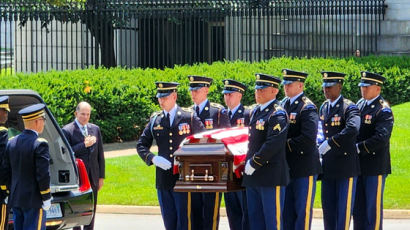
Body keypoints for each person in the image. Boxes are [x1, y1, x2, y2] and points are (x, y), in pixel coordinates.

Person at [137, 82, 204, 230]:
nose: (161, 101)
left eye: (165, 98)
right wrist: (153, 158)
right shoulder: (156, 119)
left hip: (183, 178)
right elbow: (141, 145)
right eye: (159, 98)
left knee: (185, 221)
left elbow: (203, 141)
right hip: (163, 178)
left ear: (174, 96)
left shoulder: (189, 117)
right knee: (169, 220)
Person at [242, 73, 290, 230]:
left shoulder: (277, 114)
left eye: (263, 89)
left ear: (274, 91)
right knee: (255, 220)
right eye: (257, 89)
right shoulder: (256, 111)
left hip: (270, 176)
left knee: (272, 222)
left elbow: (273, 143)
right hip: (254, 176)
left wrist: (254, 162)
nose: (258, 93)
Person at [318, 71, 361, 230]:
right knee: (328, 210)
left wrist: (330, 143)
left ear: (340, 86)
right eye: (325, 86)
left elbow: (352, 129)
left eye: (330, 87)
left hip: (345, 167)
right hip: (328, 167)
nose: (326, 90)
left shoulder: (349, 107)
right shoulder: (324, 107)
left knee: (343, 211)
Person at [280, 69, 322, 230]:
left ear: (300, 85)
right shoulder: (283, 104)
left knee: (301, 212)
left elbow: (308, 138)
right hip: (287, 167)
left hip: (304, 168)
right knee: (286, 211)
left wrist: (283, 144)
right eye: (285, 84)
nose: (286, 87)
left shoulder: (307, 107)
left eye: (289, 84)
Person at [188, 75, 230, 230]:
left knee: (210, 213)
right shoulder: (187, 113)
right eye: (191, 90)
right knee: (194, 212)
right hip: (191, 169)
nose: (193, 93)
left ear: (206, 90)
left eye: (196, 90)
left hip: (212, 170)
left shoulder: (218, 112)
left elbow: (225, 141)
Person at [0, 103, 51, 230]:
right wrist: (46, 197)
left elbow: (5, 171)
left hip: (16, 199)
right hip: (34, 200)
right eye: (43, 120)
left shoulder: (12, 142)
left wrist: (7, 191)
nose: (43, 123)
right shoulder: (40, 144)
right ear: (37, 122)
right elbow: (43, 175)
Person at [353, 72, 394, 230]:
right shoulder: (360, 104)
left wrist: (358, 147)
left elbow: (381, 138)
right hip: (359, 165)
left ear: (377, 88)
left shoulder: (383, 110)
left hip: (374, 165)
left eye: (367, 87)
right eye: (362, 86)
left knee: (372, 209)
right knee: (358, 209)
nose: (363, 89)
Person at [62, 102, 105, 230]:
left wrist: (101, 177)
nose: (85, 117)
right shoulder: (67, 130)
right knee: (78, 209)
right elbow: (66, 154)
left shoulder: (95, 129)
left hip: (93, 175)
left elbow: (100, 155)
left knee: (92, 208)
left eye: (88, 114)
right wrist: (83, 145)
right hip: (78, 177)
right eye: (82, 114)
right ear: (76, 113)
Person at [222, 79, 250, 230]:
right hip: (226, 170)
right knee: (232, 212)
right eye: (225, 94)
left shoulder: (247, 113)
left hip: (242, 170)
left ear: (239, 95)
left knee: (245, 211)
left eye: (230, 94)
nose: (227, 97)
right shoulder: (221, 114)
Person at [0, 96, 10, 230]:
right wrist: (5, 187)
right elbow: (3, 163)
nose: (7, 115)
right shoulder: (2, 133)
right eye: (5, 111)